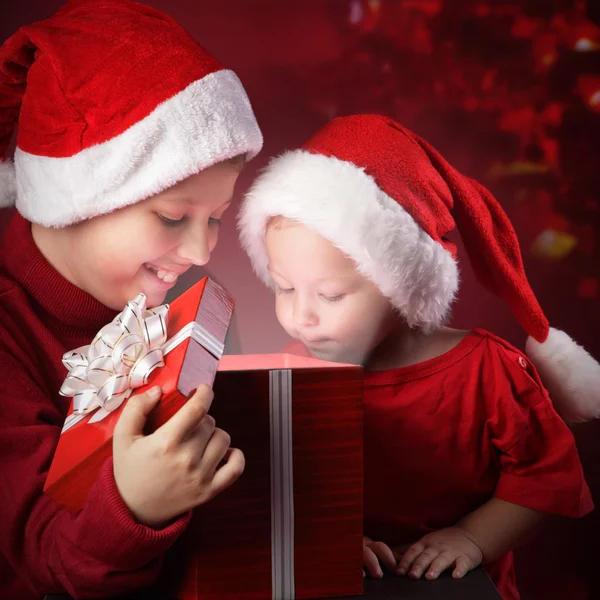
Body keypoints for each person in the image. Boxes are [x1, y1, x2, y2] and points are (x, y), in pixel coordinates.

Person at [237, 114, 599, 600]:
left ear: (402, 285)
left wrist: (474, 537)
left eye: (331, 295)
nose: (301, 317)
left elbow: (546, 475)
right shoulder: (295, 375)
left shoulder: (486, 371)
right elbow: (282, 482)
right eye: (283, 288)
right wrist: (328, 536)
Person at [0, 1, 262, 598]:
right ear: (74, 202)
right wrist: (134, 508)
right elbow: (41, 558)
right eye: (173, 217)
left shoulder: (192, 308)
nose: (201, 250)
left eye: (217, 217)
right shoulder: (6, 335)